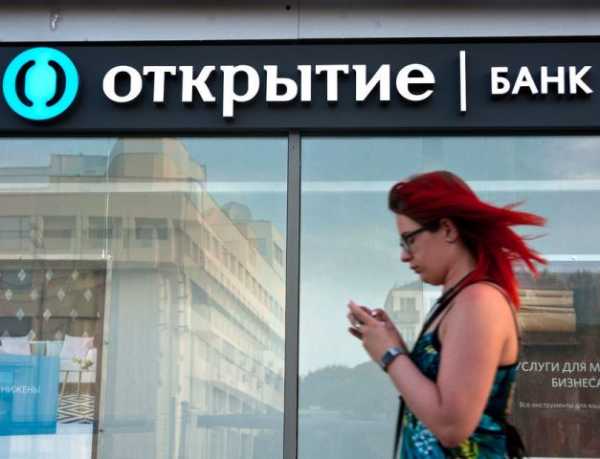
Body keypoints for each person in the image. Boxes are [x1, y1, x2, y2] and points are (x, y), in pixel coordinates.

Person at [347, 171, 546, 459]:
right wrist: (395, 345)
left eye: (409, 240)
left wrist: (391, 355)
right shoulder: (457, 302)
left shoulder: (478, 301)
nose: (404, 255)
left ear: (448, 230)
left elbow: (452, 426)